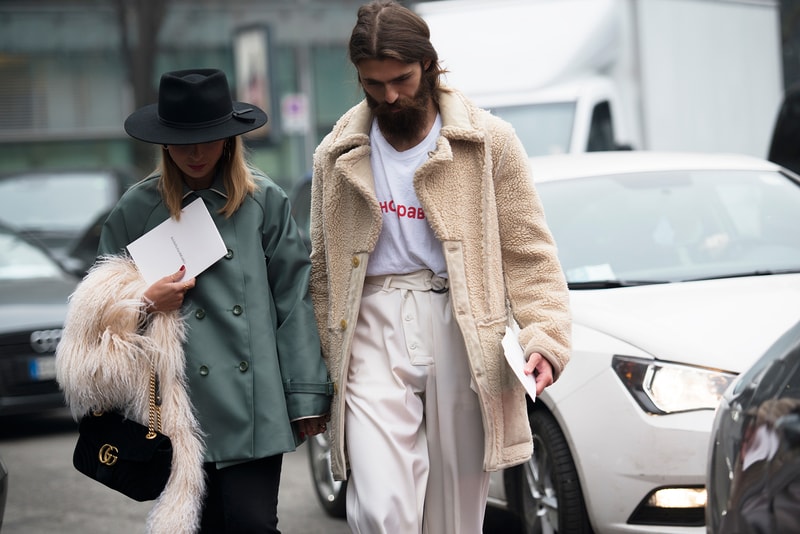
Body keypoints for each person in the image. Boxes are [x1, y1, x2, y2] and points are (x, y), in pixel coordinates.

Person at [308, 2, 572, 533]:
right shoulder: (335, 155)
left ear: (428, 64)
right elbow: (322, 269)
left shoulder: (488, 141)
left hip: (464, 322)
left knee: (455, 510)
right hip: (371, 325)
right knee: (380, 506)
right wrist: (318, 368)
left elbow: (528, 249)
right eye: (373, 83)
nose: (389, 95)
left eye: (401, 79)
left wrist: (544, 334)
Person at [56, 68, 332, 534]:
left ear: (229, 139)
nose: (196, 152)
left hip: (253, 405)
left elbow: (294, 297)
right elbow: (95, 308)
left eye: (208, 138)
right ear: (164, 143)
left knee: (252, 525)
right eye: (182, 140)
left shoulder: (265, 201)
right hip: (175, 408)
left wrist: (306, 394)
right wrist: (145, 302)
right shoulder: (136, 209)